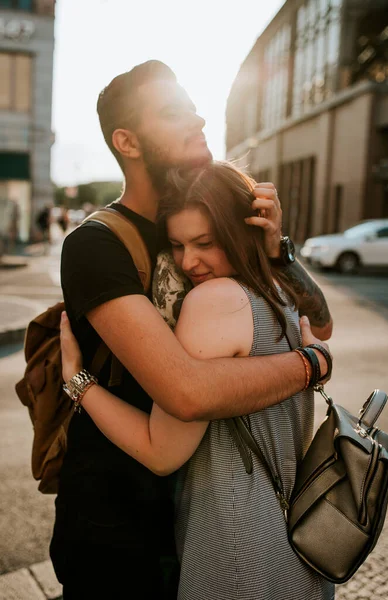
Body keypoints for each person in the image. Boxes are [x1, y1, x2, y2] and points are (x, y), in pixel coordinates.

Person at [50, 60, 333, 600]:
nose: (198, 118)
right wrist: (313, 364)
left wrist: (280, 252)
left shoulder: (194, 221)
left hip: (197, 518)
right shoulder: (96, 244)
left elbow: (319, 321)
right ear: (127, 141)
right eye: (174, 111)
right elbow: (184, 392)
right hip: (118, 527)